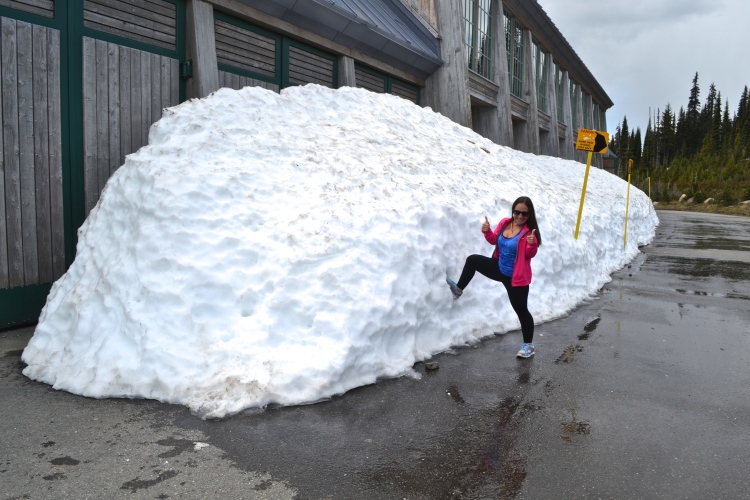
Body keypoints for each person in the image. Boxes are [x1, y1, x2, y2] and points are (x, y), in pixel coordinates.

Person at [446, 196, 542, 358]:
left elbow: (528, 254)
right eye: (516, 212)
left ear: (529, 215)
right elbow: (494, 240)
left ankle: (528, 346)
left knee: (521, 311)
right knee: (472, 260)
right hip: (498, 268)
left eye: (524, 214)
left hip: (515, 278)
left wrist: (532, 243)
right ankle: (458, 289)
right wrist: (487, 231)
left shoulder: (528, 233)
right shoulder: (505, 223)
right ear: (512, 211)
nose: (519, 216)